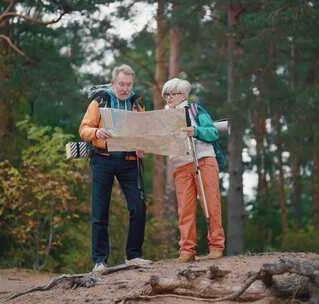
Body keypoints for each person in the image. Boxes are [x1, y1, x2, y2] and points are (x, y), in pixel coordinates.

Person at [79, 64, 151, 271]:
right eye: (121, 84)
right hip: (103, 159)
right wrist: (96, 133)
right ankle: (100, 260)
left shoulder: (137, 103)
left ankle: (134, 256)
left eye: (129, 85)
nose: (125, 88)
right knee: (100, 211)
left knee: (138, 207)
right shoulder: (100, 100)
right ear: (113, 83)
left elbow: (144, 133)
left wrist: (142, 146)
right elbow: (83, 129)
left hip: (130, 161)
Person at [162, 78, 225, 262]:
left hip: (203, 159)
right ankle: (187, 251)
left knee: (210, 203)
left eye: (173, 93)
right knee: (185, 208)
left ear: (183, 94)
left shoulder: (195, 110)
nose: (169, 97)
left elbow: (212, 132)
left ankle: (216, 246)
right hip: (181, 164)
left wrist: (195, 131)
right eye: (167, 94)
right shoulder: (164, 117)